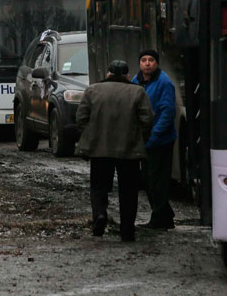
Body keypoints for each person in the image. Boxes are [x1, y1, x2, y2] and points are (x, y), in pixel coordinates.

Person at [75, 59, 154, 242]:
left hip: (99, 150)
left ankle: (100, 214)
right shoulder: (138, 91)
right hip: (129, 150)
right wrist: (137, 137)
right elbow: (147, 120)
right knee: (128, 191)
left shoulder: (93, 90)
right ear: (128, 75)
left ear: (108, 74)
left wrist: (93, 135)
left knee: (99, 187)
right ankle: (127, 231)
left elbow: (81, 119)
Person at [133, 48, 177, 230]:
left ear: (157, 63)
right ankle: (165, 214)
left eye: (151, 60)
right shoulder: (137, 81)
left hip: (160, 140)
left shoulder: (164, 83)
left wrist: (155, 134)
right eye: (144, 60)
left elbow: (167, 112)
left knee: (156, 180)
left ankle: (160, 218)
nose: (147, 63)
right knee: (148, 179)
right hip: (145, 139)